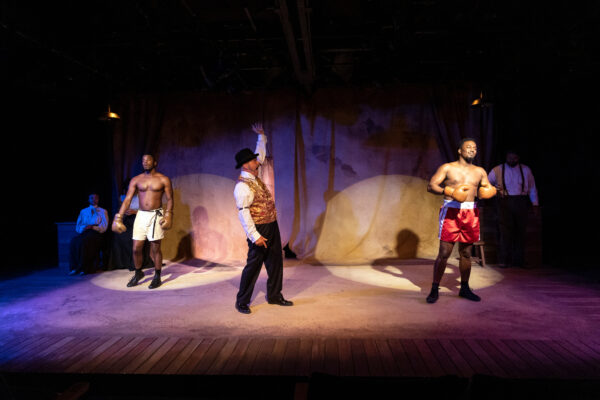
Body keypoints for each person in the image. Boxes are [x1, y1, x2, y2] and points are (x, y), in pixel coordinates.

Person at [425, 138, 496, 303]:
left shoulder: (480, 171)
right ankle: (434, 288)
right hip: (451, 211)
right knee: (444, 253)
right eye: (468, 147)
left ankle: (464, 288)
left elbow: (486, 188)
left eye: (475, 148)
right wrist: (449, 191)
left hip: (470, 212)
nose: (472, 149)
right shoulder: (448, 167)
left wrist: (491, 191)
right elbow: (431, 186)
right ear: (459, 150)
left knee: (466, 253)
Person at [233, 123, 293, 314]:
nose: (258, 163)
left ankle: (275, 295)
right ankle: (242, 301)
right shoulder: (242, 186)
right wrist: (254, 236)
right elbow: (243, 213)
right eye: (253, 161)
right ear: (246, 165)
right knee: (254, 265)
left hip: (272, 225)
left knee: (275, 262)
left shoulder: (254, 177)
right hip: (259, 229)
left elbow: (261, 155)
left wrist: (261, 136)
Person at [112, 154, 173, 289]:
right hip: (141, 215)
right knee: (136, 248)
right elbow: (127, 199)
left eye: (148, 160)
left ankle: (157, 276)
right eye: (143, 160)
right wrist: (119, 217)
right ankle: (138, 273)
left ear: (155, 162)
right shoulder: (136, 179)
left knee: (155, 248)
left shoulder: (163, 179)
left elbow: (170, 199)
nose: (145, 162)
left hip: (156, 215)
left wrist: (169, 214)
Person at [488, 149, 539, 268]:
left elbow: (532, 187)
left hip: (521, 201)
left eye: (514, 158)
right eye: (509, 158)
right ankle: (504, 260)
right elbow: (486, 184)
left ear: (518, 158)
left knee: (521, 232)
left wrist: (535, 204)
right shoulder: (497, 170)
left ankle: (519, 260)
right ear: (506, 157)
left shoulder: (526, 170)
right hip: (504, 202)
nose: (511, 160)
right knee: (504, 232)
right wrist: (495, 191)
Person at [109, 182, 153, 270]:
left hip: (138, 219)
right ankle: (122, 263)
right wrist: (124, 211)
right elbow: (119, 210)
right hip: (126, 220)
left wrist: (134, 212)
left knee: (133, 238)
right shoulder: (123, 198)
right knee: (118, 236)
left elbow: (148, 211)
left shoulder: (142, 197)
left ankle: (135, 262)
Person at [69, 193, 109, 275]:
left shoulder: (103, 211)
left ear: (98, 200)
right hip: (85, 232)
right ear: (88, 200)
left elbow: (104, 226)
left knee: (85, 242)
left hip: (96, 233)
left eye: (95, 198)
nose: (93, 200)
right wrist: (84, 228)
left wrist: (93, 227)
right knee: (74, 241)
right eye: (91, 198)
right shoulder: (83, 211)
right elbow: (78, 226)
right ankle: (75, 267)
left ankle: (84, 268)